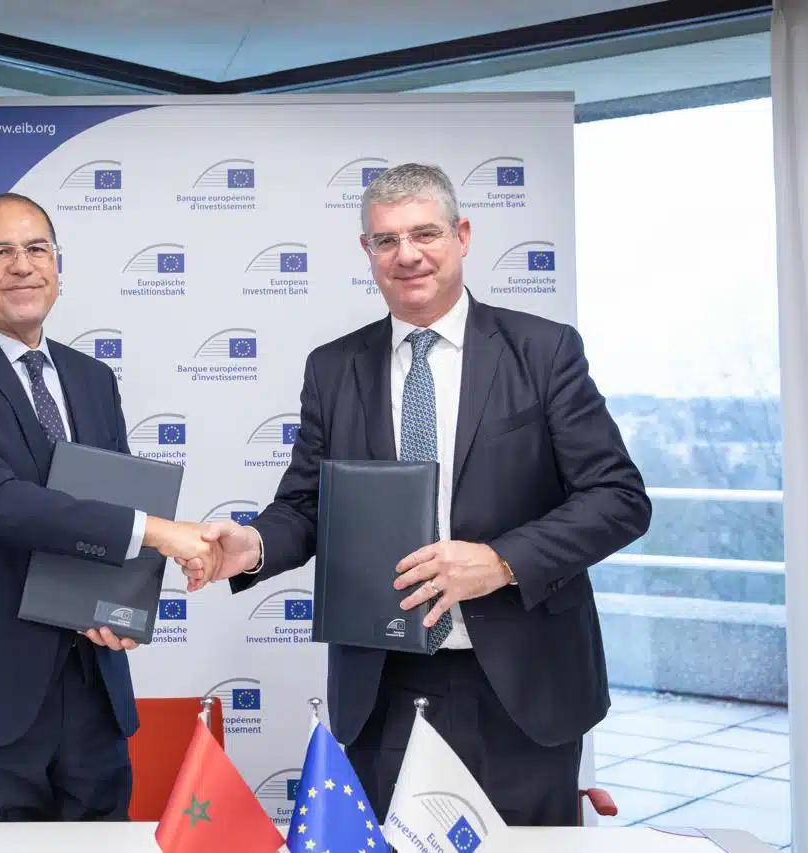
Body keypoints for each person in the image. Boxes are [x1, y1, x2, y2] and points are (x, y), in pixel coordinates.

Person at [184, 163, 651, 826]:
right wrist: (254, 544)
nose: (407, 254)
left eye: (425, 233)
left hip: (522, 685)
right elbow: (308, 507)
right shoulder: (333, 368)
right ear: (367, 251)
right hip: (384, 687)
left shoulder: (543, 351)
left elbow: (618, 497)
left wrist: (502, 561)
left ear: (462, 235)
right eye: (387, 240)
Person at [0, 192, 221, 823]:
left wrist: (123, 603)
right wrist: (161, 533)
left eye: (37, 248)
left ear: (58, 266)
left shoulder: (92, 378)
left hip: (93, 681)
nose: (22, 265)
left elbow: (118, 497)